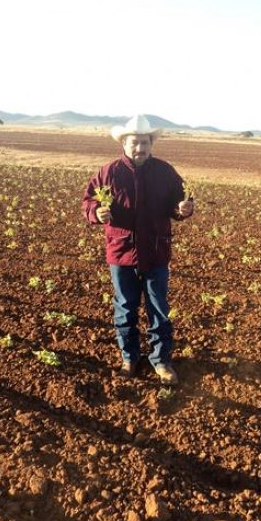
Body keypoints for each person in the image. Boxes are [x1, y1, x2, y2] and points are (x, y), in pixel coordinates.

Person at [82, 114, 194, 385]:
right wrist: (97, 212)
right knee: (125, 308)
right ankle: (129, 358)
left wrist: (183, 209)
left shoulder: (165, 171)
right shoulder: (108, 173)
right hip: (121, 253)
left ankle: (161, 360)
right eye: (135, 143)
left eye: (145, 142)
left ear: (150, 143)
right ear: (124, 142)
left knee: (158, 308)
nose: (140, 148)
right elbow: (88, 203)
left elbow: (180, 201)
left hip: (156, 252)